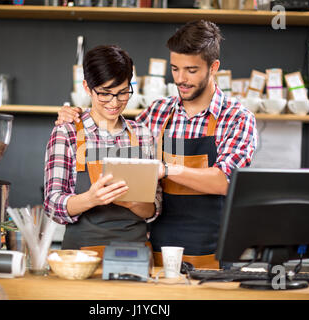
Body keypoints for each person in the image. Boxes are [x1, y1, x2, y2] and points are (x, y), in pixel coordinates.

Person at [56, 20, 257, 266]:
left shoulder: (237, 117)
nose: (181, 79)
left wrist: (167, 169)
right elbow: (111, 129)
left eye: (191, 70)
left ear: (213, 67)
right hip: (159, 253)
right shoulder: (158, 113)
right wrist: (77, 116)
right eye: (175, 69)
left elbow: (226, 181)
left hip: (214, 254)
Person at [44, 45, 162, 251]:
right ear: (87, 88)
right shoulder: (67, 133)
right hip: (81, 256)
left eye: (123, 92)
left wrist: (133, 203)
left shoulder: (143, 135)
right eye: (105, 94)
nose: (114, 102)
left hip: (136, 254)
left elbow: (155, 207)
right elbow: (53, 205)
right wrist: (90, 199)